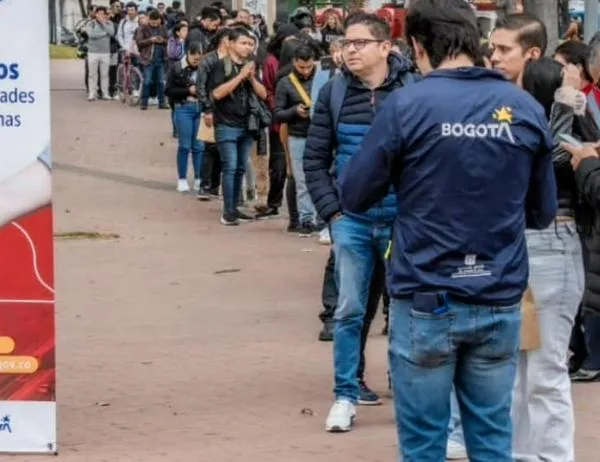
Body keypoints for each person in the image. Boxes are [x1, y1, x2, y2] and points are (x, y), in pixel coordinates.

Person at [339, 1, 556, 460]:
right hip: (498, 292)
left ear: (418, 47)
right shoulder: (523, 107)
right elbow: (542, 212)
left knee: (423, 444)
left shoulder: (407, 105)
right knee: (492, 439)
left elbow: (354, 195)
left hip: (427, 295)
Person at [304, 12, 415, 433]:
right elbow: (315, 159)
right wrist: (332, 213)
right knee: (349, 310)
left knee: (403, 310)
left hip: (403, 220)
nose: (350, 49)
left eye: (360, 42)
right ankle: (345, 394)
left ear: (386, 47)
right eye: (346, 42)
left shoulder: (412, 90)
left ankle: (406, 392)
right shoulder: (333, 92)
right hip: (351, 220)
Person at [491, 13, 585, 462]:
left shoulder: (567, 111)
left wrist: (567, 107)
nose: (493, 58)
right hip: (509, 243)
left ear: (531, 54)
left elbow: (549, 160)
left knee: (544, 371)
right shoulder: (500, 106)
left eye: (503, 49)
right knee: (510, 370)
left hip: (552, 240)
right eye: (492, 49)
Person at [207, 27, 267, 226]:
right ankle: (228, 212)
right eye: (243, 43)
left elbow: (263, 94)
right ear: (231, 43)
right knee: (230, 167)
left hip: (248, 124)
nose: (247, 47)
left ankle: (234, 208)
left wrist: (251, 77)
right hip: (226, 123)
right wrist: (240, 76)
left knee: (240, 167)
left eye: (250, 44)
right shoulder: (220, 65)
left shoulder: (252, 66)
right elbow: (217, 93)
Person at [275, 45, 319, 236]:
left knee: (319, 178)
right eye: (302, 67)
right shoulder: (285, 83)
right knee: (301, 180)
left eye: (309, 67)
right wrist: (295, 111)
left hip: (319, 135)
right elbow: (278, 113)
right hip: (297, 135)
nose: (306, 71)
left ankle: (319, 217)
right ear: (294, 62)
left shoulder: (321, 79)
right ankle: (306, 219)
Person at [166, 42, 205, 193]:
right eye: (193, 56)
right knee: (184, 145)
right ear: (187, 54)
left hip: (200, 108)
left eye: (199, 57)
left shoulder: (204, 68)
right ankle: (182, 178)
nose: (196, 60)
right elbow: (169, 90)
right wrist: (188, 90)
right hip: (183, 108)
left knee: (199, 146)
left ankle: (199, 178)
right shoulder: (177, 67)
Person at [136, 9, 169, 110]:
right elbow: (139, 42)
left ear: (160, 20)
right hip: (148, 59)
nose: (155, 24)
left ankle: (162, 103)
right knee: (147, 81)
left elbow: (168, 40)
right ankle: (144, 103)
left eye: (157, 21)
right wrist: (150, 40)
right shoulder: (143, 28)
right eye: (153, 22)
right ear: (149, 20)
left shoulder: (163, 28)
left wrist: (162, 40)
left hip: (161, 59)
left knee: (161, 82)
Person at [85, 6, 114, 102]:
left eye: (103, 14)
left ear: (105, 15)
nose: (100, 15)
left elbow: (112, 33)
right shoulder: (90, 23)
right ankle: (92, 93)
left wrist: (103, 23)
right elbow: (91, 35)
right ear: (96, 14)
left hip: (105, 52)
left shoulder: (109, 23)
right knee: (92, 74)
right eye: (99, 13)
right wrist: (105, 34)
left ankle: (105, 93)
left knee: (105, 74)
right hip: (93, 52)